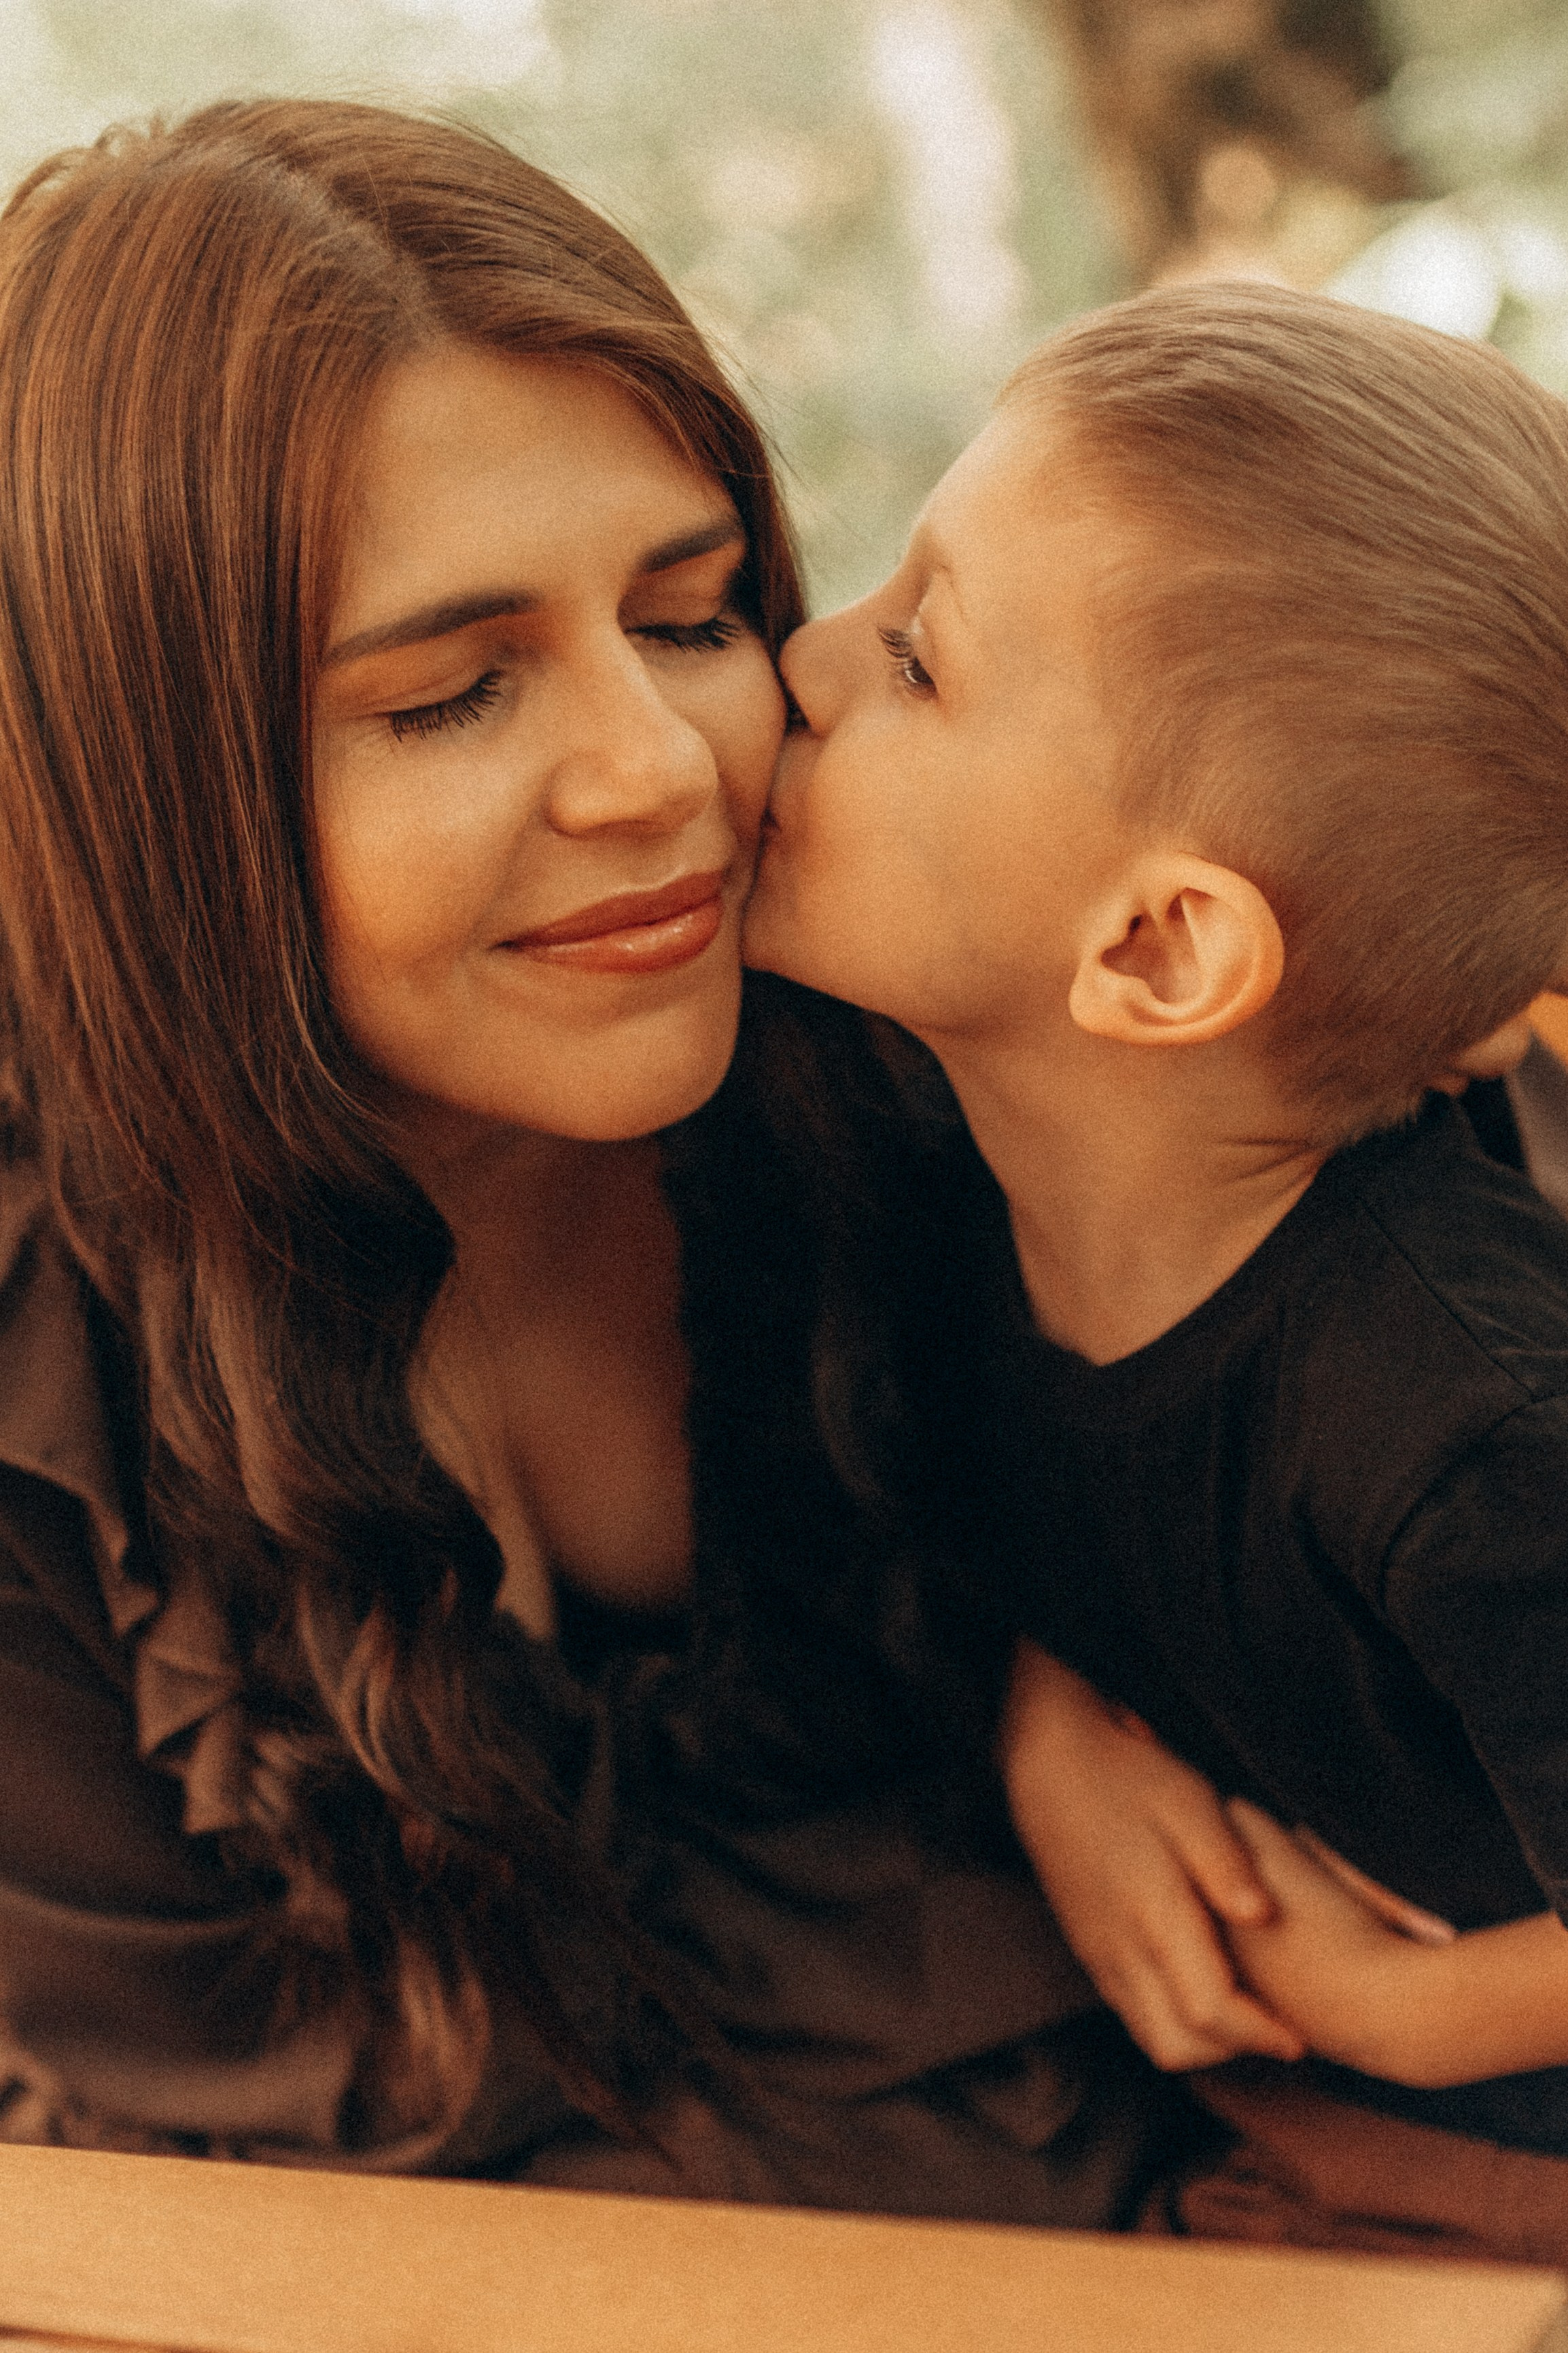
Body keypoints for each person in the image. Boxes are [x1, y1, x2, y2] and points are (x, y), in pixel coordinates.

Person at [0, 94, 1187, 2216]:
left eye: (689, 615)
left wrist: (1078, 1663)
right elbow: (209, 2193)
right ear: (147, 800)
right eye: (452, 694)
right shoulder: (44, 1372)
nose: (658, 775)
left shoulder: (918, 1025)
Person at [744, 279, 1568, 2261]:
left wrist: (1399, 2013)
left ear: (1154, 955)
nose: (800, 652)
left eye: (918, 655)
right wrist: (1055, 1720)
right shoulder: (933, 1168)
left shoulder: (1465, 1424)